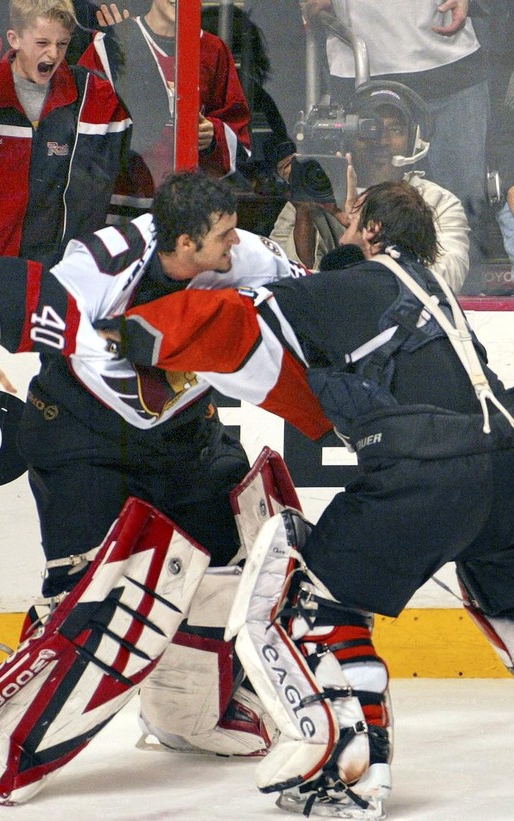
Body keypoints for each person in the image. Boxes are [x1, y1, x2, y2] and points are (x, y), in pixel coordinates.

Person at [119, 180, 514, 818]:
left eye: (355, 220)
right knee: (510, 606)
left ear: (377, 233)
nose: (345, 227)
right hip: (505, 466)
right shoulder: (434, 288)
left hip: (424, 470)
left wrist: (139, 329)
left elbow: (242, 320)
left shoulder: (349, 287)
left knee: (307, 606)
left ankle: (351, 776)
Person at [0, 171, 318, 802]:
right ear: (181, 242)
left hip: (184, 443)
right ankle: (4, 722)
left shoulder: (243, 257)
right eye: (221, 237)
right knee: (84, 596)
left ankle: (190, 718)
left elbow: (314, 294)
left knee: (239, 566)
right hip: (84, 443)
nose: (235, 247)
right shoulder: (101, 264)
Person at [0, 0, 131, 294]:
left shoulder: (88, 93)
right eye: (42, 42)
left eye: (62, 44)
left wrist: (124, 47)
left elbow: (135, 142)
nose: (53, 54)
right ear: (14, 39)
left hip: (59, 277)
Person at [301, 0, 489, 268]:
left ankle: (460, 306)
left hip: (449, 63)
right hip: (356, 62)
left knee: (462, 210)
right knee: (357, 206)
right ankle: (365, 295)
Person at [270, 81, 471, 291]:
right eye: (369, 128)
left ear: (413, 140)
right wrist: (304, 214)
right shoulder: (314, 193)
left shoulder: (439, 202)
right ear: (349, 138)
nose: (382, 140)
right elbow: (283, 280)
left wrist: (361, 227)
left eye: (396, 129)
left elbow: (446, 280)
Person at [94, 0, 251, 218]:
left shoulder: (213, 50)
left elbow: (239, 134)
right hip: (121, 206)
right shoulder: (118, 38)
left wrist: (212, 136)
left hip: (186, 210)